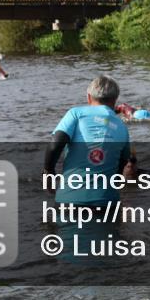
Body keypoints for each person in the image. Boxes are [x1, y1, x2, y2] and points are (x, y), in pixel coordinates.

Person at [44, 75, 134, 207]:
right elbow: (122, 164)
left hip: (70, 201)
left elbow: (55, 144)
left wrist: (49, 172)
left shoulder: (76, 114)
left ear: (89, 97)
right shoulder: (122, 127)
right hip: (107, 203)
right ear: (115, 100)